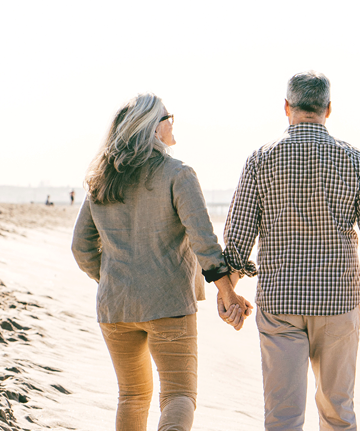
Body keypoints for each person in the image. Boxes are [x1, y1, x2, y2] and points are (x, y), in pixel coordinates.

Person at [223, 71, 360, 431]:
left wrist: (229, 293)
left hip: (280, 301)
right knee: (338, 413)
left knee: (282, 417)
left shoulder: (260, 160)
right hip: (338, 301)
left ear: (286, 107)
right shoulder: (357, 161)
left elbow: (238, 240)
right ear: (328, 109)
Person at [72, 94, 251, 431]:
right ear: (153, 129)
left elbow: (81, 247)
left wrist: (114, 277)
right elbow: (203, 241)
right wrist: (227, 293)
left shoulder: (101, 179)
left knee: (131, 396)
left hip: (115, 306)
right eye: (168, 117)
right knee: (179, 395)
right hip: (168, 303)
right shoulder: (177, 174)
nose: (172, 122)